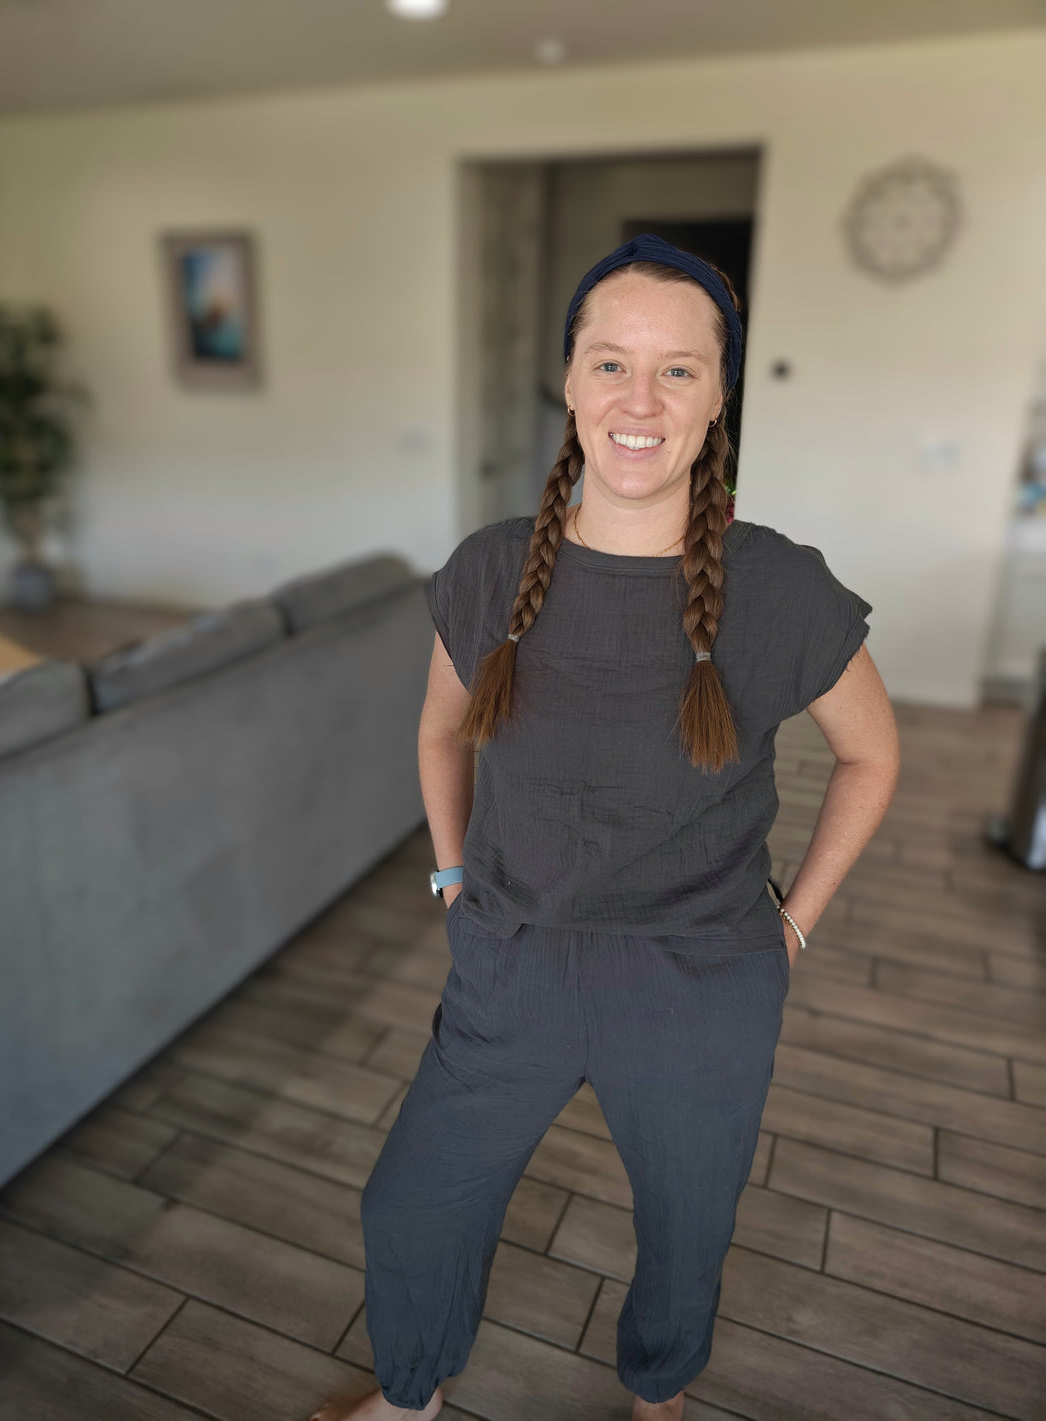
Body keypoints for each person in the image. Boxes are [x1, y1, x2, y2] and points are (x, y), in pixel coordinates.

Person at [310, 233, 899, 1421]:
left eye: (678, 370)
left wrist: (790, 927)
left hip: (698, 974)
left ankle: (658, 1391)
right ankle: (411, 1395)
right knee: (411, 1204)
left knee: (687, 1224)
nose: (640, 400)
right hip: (511, 955)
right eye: (610, 363)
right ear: (570, 381)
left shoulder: (781, 587)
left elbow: (871, 754)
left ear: (720, 395)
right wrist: (452, 878)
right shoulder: (487, 572)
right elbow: (438, 731)